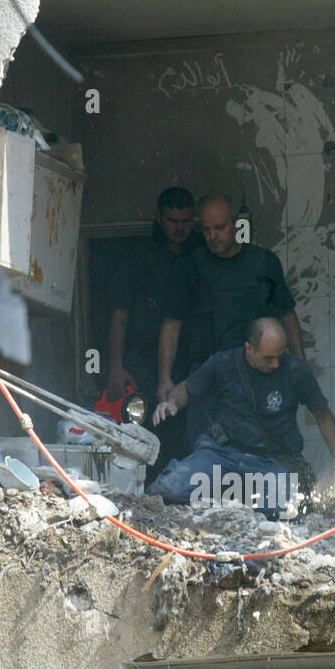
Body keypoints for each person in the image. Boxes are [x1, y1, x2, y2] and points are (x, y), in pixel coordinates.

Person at [148, 317, 335, 517]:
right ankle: (229, 494)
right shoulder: (223, 362)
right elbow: (188, 389)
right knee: (169, 489)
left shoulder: (295, 370)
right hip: (222, 454)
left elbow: (323, 416)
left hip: (271, 461)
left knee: (287, 510)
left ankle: (240, 498)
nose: (276, 363)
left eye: (280, 355)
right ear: (249, 349)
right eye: (268, 358)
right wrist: (171, 402)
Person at [156, 193, 306, 442]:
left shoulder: (263, 262)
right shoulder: (189, 266)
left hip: (258, 371)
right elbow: (172, 325)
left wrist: (300, 366)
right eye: (206, 230)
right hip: (207, 375)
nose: (213, 236)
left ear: (236, 225)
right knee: (204, 451)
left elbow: (288, 315)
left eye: (220, 228)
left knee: (261, 448)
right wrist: (164, 378)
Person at [103, 186, 198, 469]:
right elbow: (119, 314)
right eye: (172, 221)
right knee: (141, 429)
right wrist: (115, 366)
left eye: (185, 221)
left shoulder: (200, 253)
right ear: (159, 218)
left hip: (190, 359)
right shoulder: (139, 255)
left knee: (188, 433)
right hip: (141, 359)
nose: (180, 228)